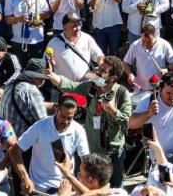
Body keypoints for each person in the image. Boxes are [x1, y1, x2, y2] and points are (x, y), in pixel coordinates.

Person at [46, 55, 132, 188]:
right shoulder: (91, 87)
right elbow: (71, 86)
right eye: (99, 69)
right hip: (92, 151)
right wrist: (52, 75)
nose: (98, 72)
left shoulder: (121, 93)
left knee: (115, 188)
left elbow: (127, 120)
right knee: (91, 187)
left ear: (113, 77)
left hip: (113, 153)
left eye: (103, 71)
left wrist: (111, 110)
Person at [15, 94, 90, 194]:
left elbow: (86, 160)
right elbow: (15, 150)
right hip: (39, 188)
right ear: (56, 109)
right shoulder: (40, 126)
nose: (66, 122)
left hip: (65, 188)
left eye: (70, 118)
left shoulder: (78, 130)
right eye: (62, 116)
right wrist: (24, 178)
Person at [45, 12, 105, 82]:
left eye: (79, 24)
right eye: (74, 26)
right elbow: (45, 64)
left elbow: (99, 55)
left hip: (86, 86)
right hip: (64, 88)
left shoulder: (87, 38)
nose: (78, 28)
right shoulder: (54, 43)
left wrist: (101, 66)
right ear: (64, 28)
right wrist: (50, 65)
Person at [123, 24, 173, 90]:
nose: (146, 44)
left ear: (155, 36)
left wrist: (167, 70)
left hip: (159, 86)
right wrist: (129, 74)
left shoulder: (164, 44)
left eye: (149, 41)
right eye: (143, 41)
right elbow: (125, 63)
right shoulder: (136, 45)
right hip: (140, 87)